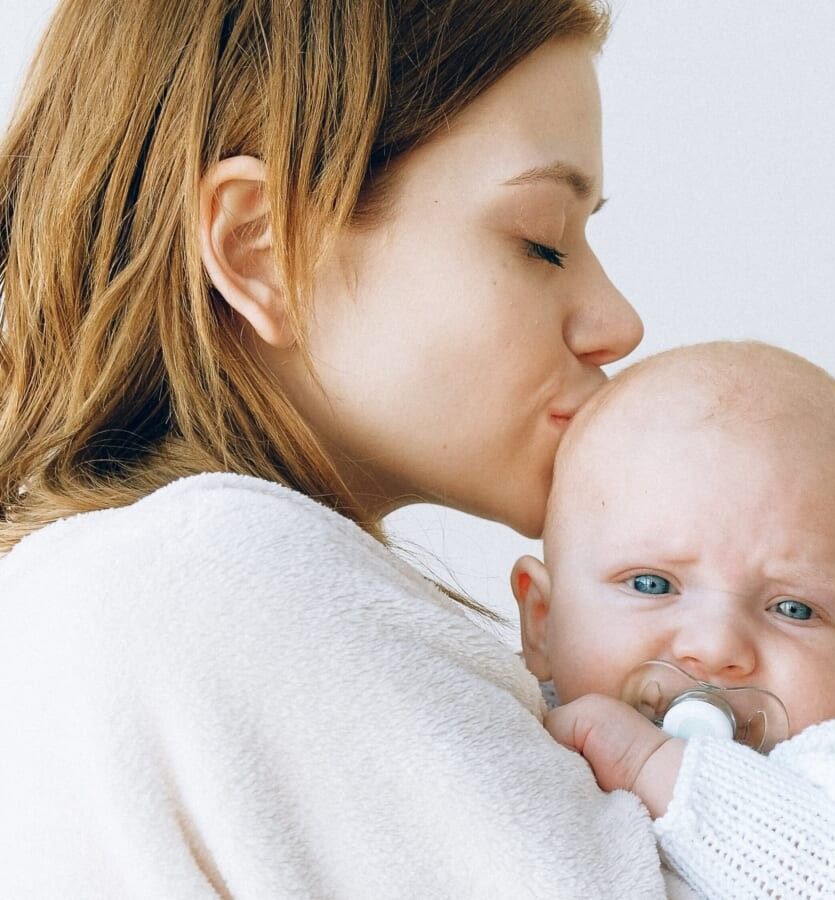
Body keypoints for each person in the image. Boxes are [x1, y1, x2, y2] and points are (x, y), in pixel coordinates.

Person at [0, 1, 676, 895]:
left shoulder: (90, 585)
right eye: (542, 243)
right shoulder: (225, 580)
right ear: (258, 248)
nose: (616, 322)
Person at [510, 341, 835, 898]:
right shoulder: (505, 723)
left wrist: (649, 764)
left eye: (794, 609)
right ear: (542, 619)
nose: (715, 647)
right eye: (652, 584)